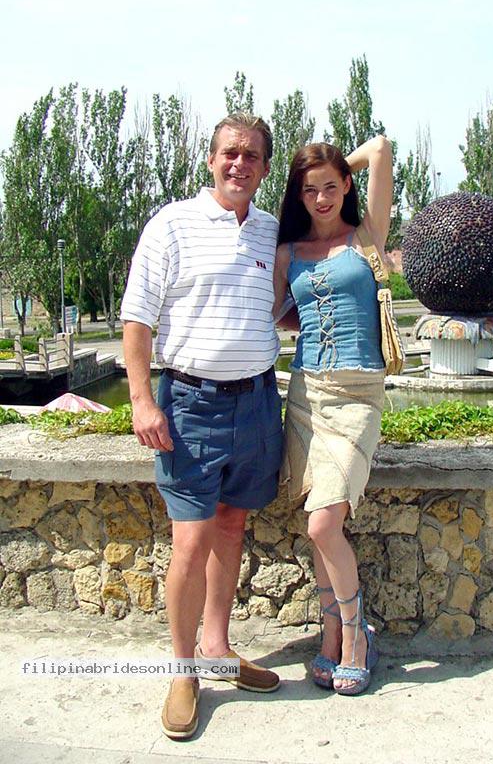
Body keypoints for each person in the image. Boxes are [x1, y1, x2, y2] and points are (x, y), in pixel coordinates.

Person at [121, 112, 284, 740]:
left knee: (232, 523)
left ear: (264, 168)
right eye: (229, 153)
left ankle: (217, 647)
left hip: (257, 403)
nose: (239, 164)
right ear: (211, 160)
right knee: (190, 540)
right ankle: (184, 670)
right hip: (190, 405)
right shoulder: (172, 224)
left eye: (252, 155)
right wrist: (142, 401)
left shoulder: (271, 230)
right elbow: (137, 320)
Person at [273, 135, 393, 696]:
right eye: (309, 189)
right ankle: (331, 635)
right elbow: (272, 314)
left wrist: (341, 164)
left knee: (324, 523)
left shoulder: (367, 234)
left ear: (346, 184)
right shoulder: (288, 252)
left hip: (358, 396)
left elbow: (382, 148)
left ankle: (354, 634)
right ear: (297, 196)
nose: (321, 198)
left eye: (330, 186)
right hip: (305, 396)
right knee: (320, 523)